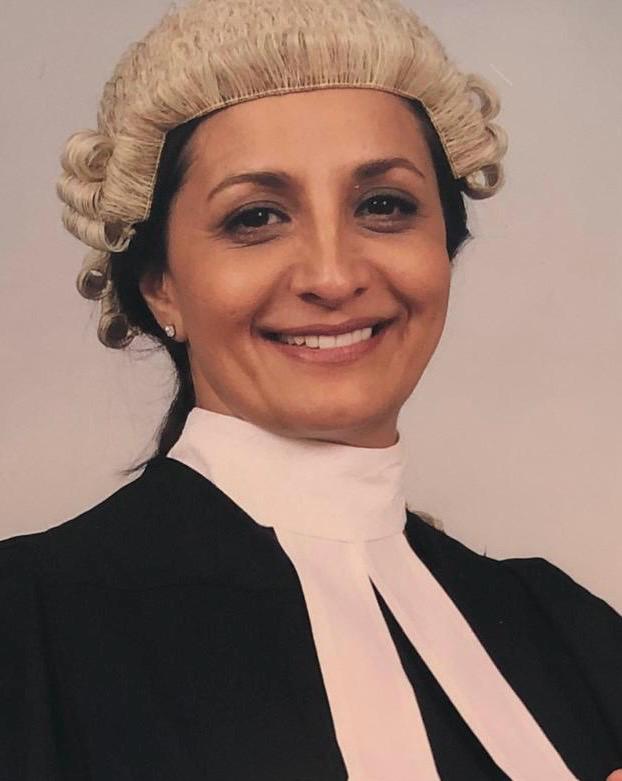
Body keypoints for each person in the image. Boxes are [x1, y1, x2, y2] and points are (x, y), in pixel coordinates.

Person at [1, 0, 621, 778]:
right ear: (159, 284)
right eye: (257, 217)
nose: (333, 275)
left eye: (384, 206)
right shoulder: (26, 626)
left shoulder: (568, 634)